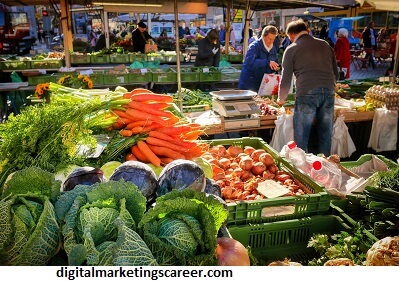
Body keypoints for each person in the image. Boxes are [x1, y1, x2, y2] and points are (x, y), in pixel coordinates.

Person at [277, 19, 339, 156]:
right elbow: (337, 74)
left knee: (302, 134)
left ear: (292, 35)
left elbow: (286, 78)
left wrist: (281, 99)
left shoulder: (292, 48)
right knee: (325, 133)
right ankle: (325, 167)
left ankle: (302, 169)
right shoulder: (325, 45)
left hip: (307, 92)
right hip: (329, 92)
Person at [238, 25, 280, 92]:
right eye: (269, 39)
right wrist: (267, 63)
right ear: (263, 36)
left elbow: (275, 62)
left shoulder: (273, 49)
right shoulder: (254, 46)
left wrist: (276, 67)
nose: (271, 41)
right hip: (249, 85)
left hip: (263, 84)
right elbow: (249, 63)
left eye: (273, 39)